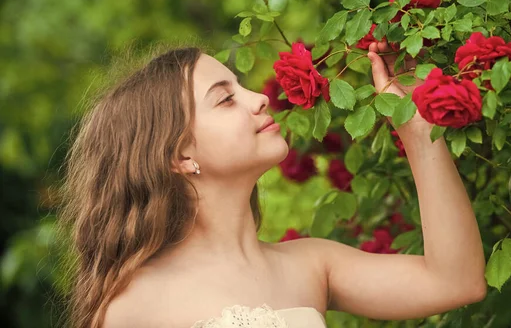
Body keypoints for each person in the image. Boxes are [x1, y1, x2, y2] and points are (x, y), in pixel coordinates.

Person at [55, 42, 487, 328]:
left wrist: (415, 124)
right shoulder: (134, 306)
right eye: (225, 99)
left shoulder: (312, 264)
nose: (258, 97)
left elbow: (457, 281)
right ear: (180, 155)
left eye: (241, 87)